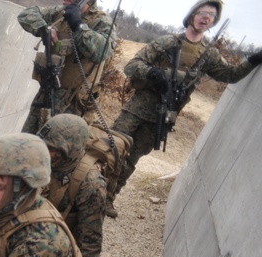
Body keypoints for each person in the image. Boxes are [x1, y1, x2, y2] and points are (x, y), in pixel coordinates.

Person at [108, 1, 262, 215]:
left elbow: (231, 75)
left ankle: (108, 198)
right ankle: (93, 194)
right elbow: (131, 66)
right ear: (192, 16)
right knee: (112, 150)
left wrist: (254, 59)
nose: (206, 17)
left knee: (132, 159)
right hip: (137, 108)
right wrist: (153, 73)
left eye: (211, 15)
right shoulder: (167, 42)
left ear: (213, 22)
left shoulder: (208, 55)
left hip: (162, 117)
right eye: (202, 12)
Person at [37, 113, 106, 257]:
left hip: (60, 248)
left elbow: (90, 244)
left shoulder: (91, 184)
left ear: (69, 151)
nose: (45, 154)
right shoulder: (43, 160)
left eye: (52, 149)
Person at [18, 0, 118, 134]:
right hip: (46, 93)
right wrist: (44, 29)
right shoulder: (60, 13)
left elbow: (102, 52)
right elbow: (26, 14)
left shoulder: (102, 22)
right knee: (27, 142)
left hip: (72, 105)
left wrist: (78, 25)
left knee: (53, 150)